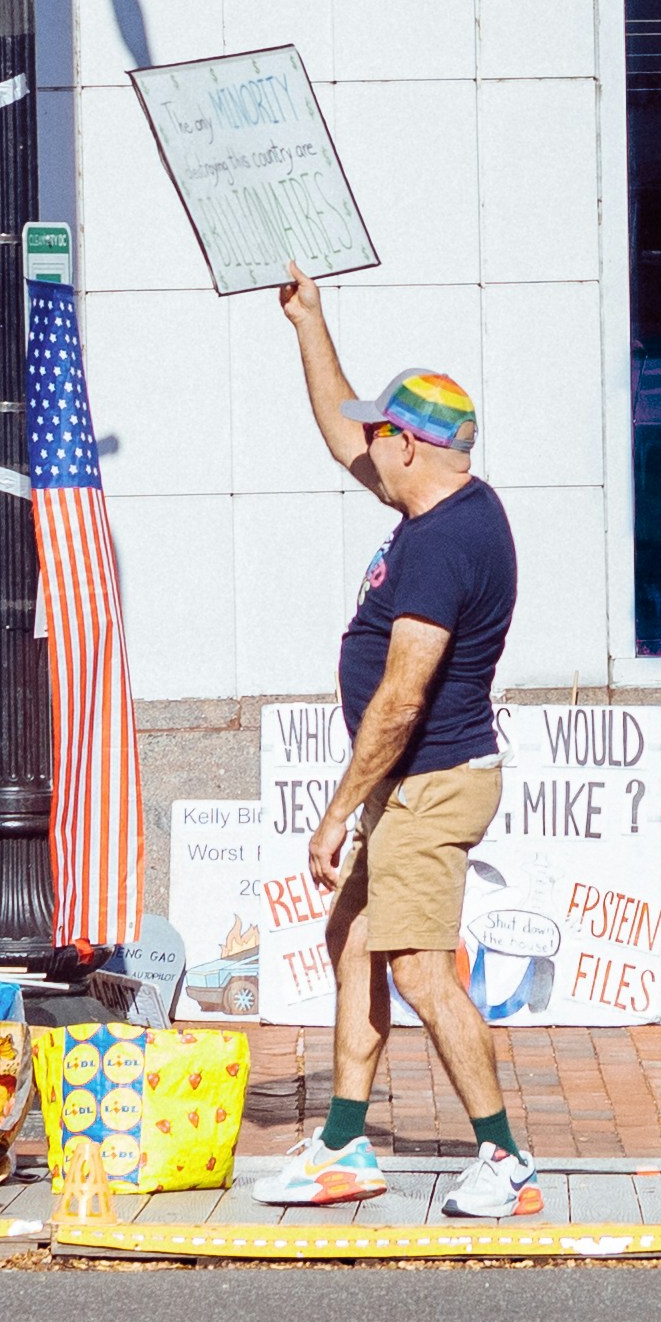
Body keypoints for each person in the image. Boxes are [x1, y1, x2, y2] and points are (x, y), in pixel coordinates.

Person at [259, 271, 533, 1221]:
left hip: (429, 780)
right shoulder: (447, 504)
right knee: (354, 939)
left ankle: (504, 1159)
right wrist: (309, 321)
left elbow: (400, 696)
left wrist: (337, 811)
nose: (367, 443)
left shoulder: (441, 544)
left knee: (416, 963)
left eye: (383, 433)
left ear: (409, 444)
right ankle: (343, 1142)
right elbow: (341, 429)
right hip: (422, 778)